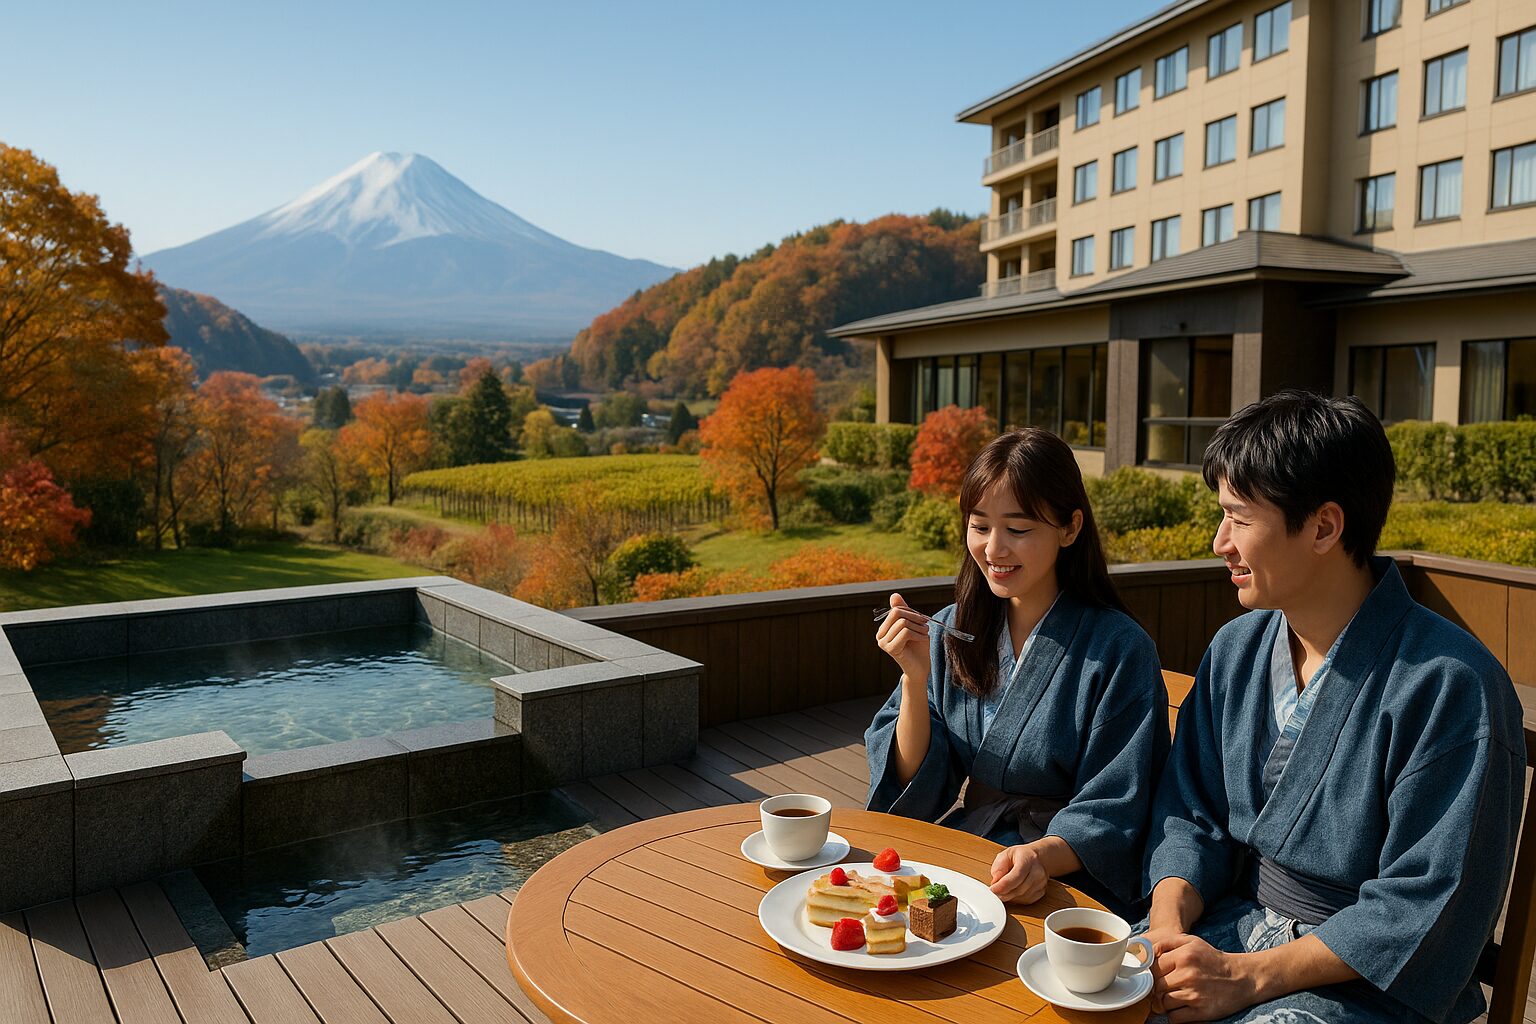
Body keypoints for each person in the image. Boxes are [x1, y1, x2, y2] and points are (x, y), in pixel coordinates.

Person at [1142, 390, 1525, 1024]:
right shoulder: (1237, 649)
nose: (1219, 542)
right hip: (1232, 931)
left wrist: (1249, 976)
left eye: (1239, 518)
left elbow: (1425, 900)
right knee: (1094, 994)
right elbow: (1189, 815)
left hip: (1365, 983)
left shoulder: (1451, 685)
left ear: (1324, 526)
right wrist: (1165, 930)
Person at [866, 427, 1168, 915]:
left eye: (1018, 529)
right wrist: (914, 681)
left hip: (1069, 872)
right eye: (979, 526)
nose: (993, 549)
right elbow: (911, 791)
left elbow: (1117, 802)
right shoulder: (950, 629)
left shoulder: (1119, 649)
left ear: (1070, 528)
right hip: (975, 848)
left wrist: (1040, 859)